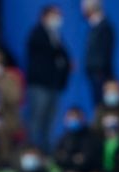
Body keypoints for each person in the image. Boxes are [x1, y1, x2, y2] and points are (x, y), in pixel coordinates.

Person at [25, 5, 72, 153]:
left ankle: (47, 153)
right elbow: (51, 55)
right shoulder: (37, 34)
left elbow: (64, 56)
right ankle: (31, 152)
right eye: (55, 15)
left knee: (50, 122)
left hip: (54, 85)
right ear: (44, 16)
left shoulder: (56, 36)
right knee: (36, 120)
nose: (58, 18)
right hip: (39, 85)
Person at [83, 0, 116, 107]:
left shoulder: (104, 27)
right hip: (94, 73)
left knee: (102, 105)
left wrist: (99, 70)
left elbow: (104, 52)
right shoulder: (94, 26)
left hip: (100, 74)